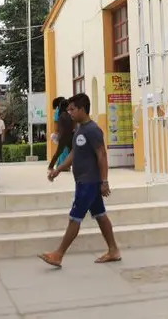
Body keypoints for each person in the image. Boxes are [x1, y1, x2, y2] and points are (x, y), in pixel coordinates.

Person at [40, 93, 120, 267]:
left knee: (74, 218)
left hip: (89, 183)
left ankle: (58, 254)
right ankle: (113, 250)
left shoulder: (93, 130)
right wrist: (58, 170)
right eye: (68, 109)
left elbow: (102, 155)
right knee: (100, 216)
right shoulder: (79, 130)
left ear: (82, 109)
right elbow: (73, 153)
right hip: (83, 181)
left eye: (72, 109)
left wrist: (104, 181)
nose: (69, 112)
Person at [48, 97, 74, 172]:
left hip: (63, 136)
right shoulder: (64, 114)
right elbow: (57, 124)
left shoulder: (60, 113)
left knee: (63, 152)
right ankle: (63, 166)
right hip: (66, 136)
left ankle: (57, 166)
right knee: (64, 152)